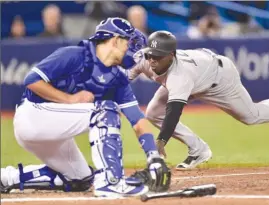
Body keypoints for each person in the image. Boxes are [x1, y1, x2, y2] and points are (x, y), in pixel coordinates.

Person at [0, 18, 171, 197]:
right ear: (115, 40)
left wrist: (153, 156)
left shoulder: (118, 79)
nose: (133, 48)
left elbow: (137, 119)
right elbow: (31, 81)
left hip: (55, 131)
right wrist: (69, 99)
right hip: (33, 117)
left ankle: (7, 178)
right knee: (105, 110)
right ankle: (110, 182)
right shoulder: (74, 54)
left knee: (79, 179)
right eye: (129, 41)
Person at [127, 30, 269, 171]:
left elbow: (173, 112)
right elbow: (122, 79)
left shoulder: (180, 76)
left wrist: (161, 141)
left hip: (219, 79)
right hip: (198, 74)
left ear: (171, 55)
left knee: (251, 116)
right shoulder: (144, 60)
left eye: (158, 56)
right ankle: (198, 150)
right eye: (151, 54)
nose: (152, 60)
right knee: (152, 113)